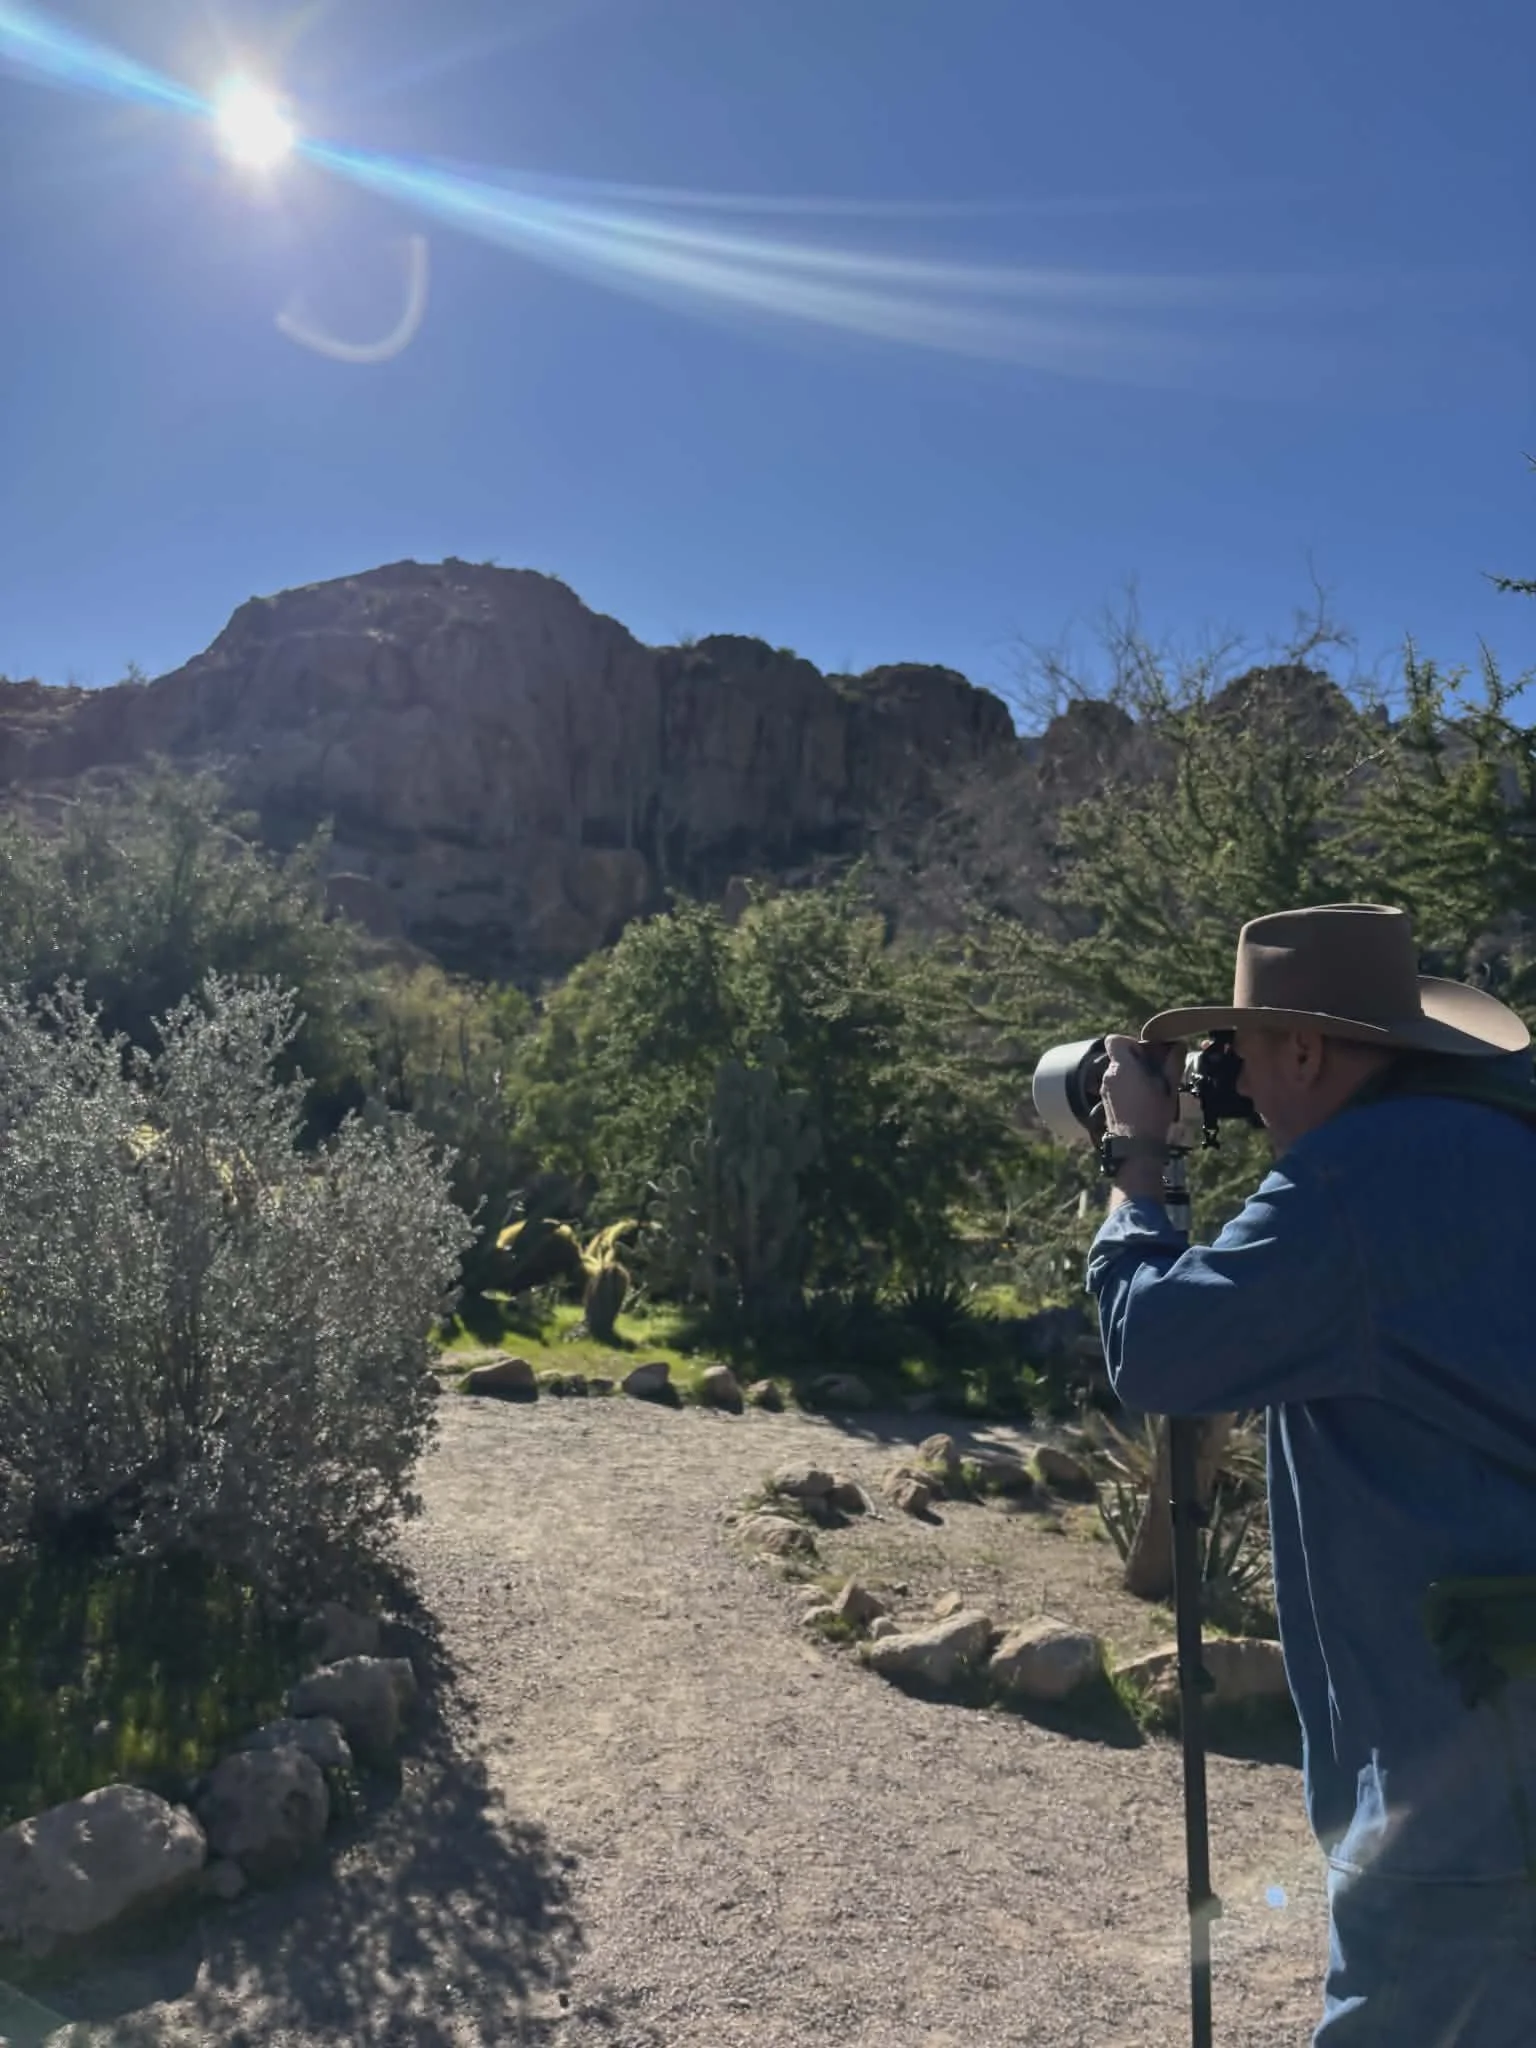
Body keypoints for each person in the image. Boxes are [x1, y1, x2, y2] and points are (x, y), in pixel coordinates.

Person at [1086, 902, 1536, 2047]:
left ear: (1305, 1048)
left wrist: (1137, 1161)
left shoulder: (1351, 1182)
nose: (1226, 1077)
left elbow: (1164, 1351)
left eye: (1239, 1049)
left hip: (1460, 1793)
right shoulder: (1504, 1145)